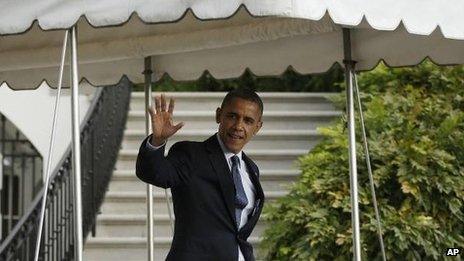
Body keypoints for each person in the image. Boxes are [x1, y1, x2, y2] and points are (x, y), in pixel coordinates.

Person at [136, 89, 265, 261]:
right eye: (232, 116)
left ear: (257, 127)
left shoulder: (252, 169)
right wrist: (157, 142)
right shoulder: (191, 154)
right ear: (219, 115)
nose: (238, 126)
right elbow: (155, 173)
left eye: (248, 121)